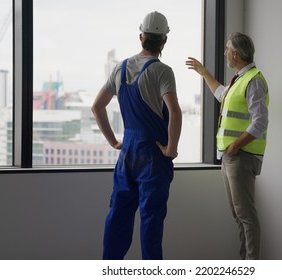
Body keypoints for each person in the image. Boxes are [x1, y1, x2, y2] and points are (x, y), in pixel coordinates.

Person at [92, 11, 182, 260]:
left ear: (141, 36)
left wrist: (113, 142)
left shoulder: (120, 69)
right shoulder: (162, 71)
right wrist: (171, 149)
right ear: (164, 41)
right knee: (151, 223)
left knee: (118, 216)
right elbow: (174, 113)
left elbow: (97, 106)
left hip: (128, 154)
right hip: (153, 154)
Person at [186, 32, 268, 260]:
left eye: (226, 50)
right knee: (239, 215)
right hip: (231, 156)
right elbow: (222, 94)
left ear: (236, 53)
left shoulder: (253, 80)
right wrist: (204, 73)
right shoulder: (239, 79)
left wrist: (236, 146)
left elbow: (260, 120)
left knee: (246, 216)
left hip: (241, 155)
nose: (224, 54)